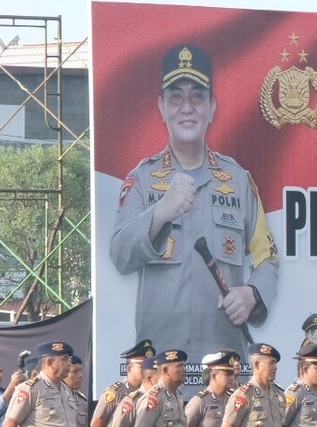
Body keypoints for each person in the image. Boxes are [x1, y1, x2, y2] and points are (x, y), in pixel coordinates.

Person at [108, 43, 280, 358]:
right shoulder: (143, 179)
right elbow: (120, 255)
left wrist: (253, 294)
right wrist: (159, 212)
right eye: (176, 96)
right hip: (160, 373)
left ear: (212, 106)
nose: (187, 107)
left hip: (225, 374)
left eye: (197, 96)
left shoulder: (238, 180)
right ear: (161, 107)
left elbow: (267, 259)